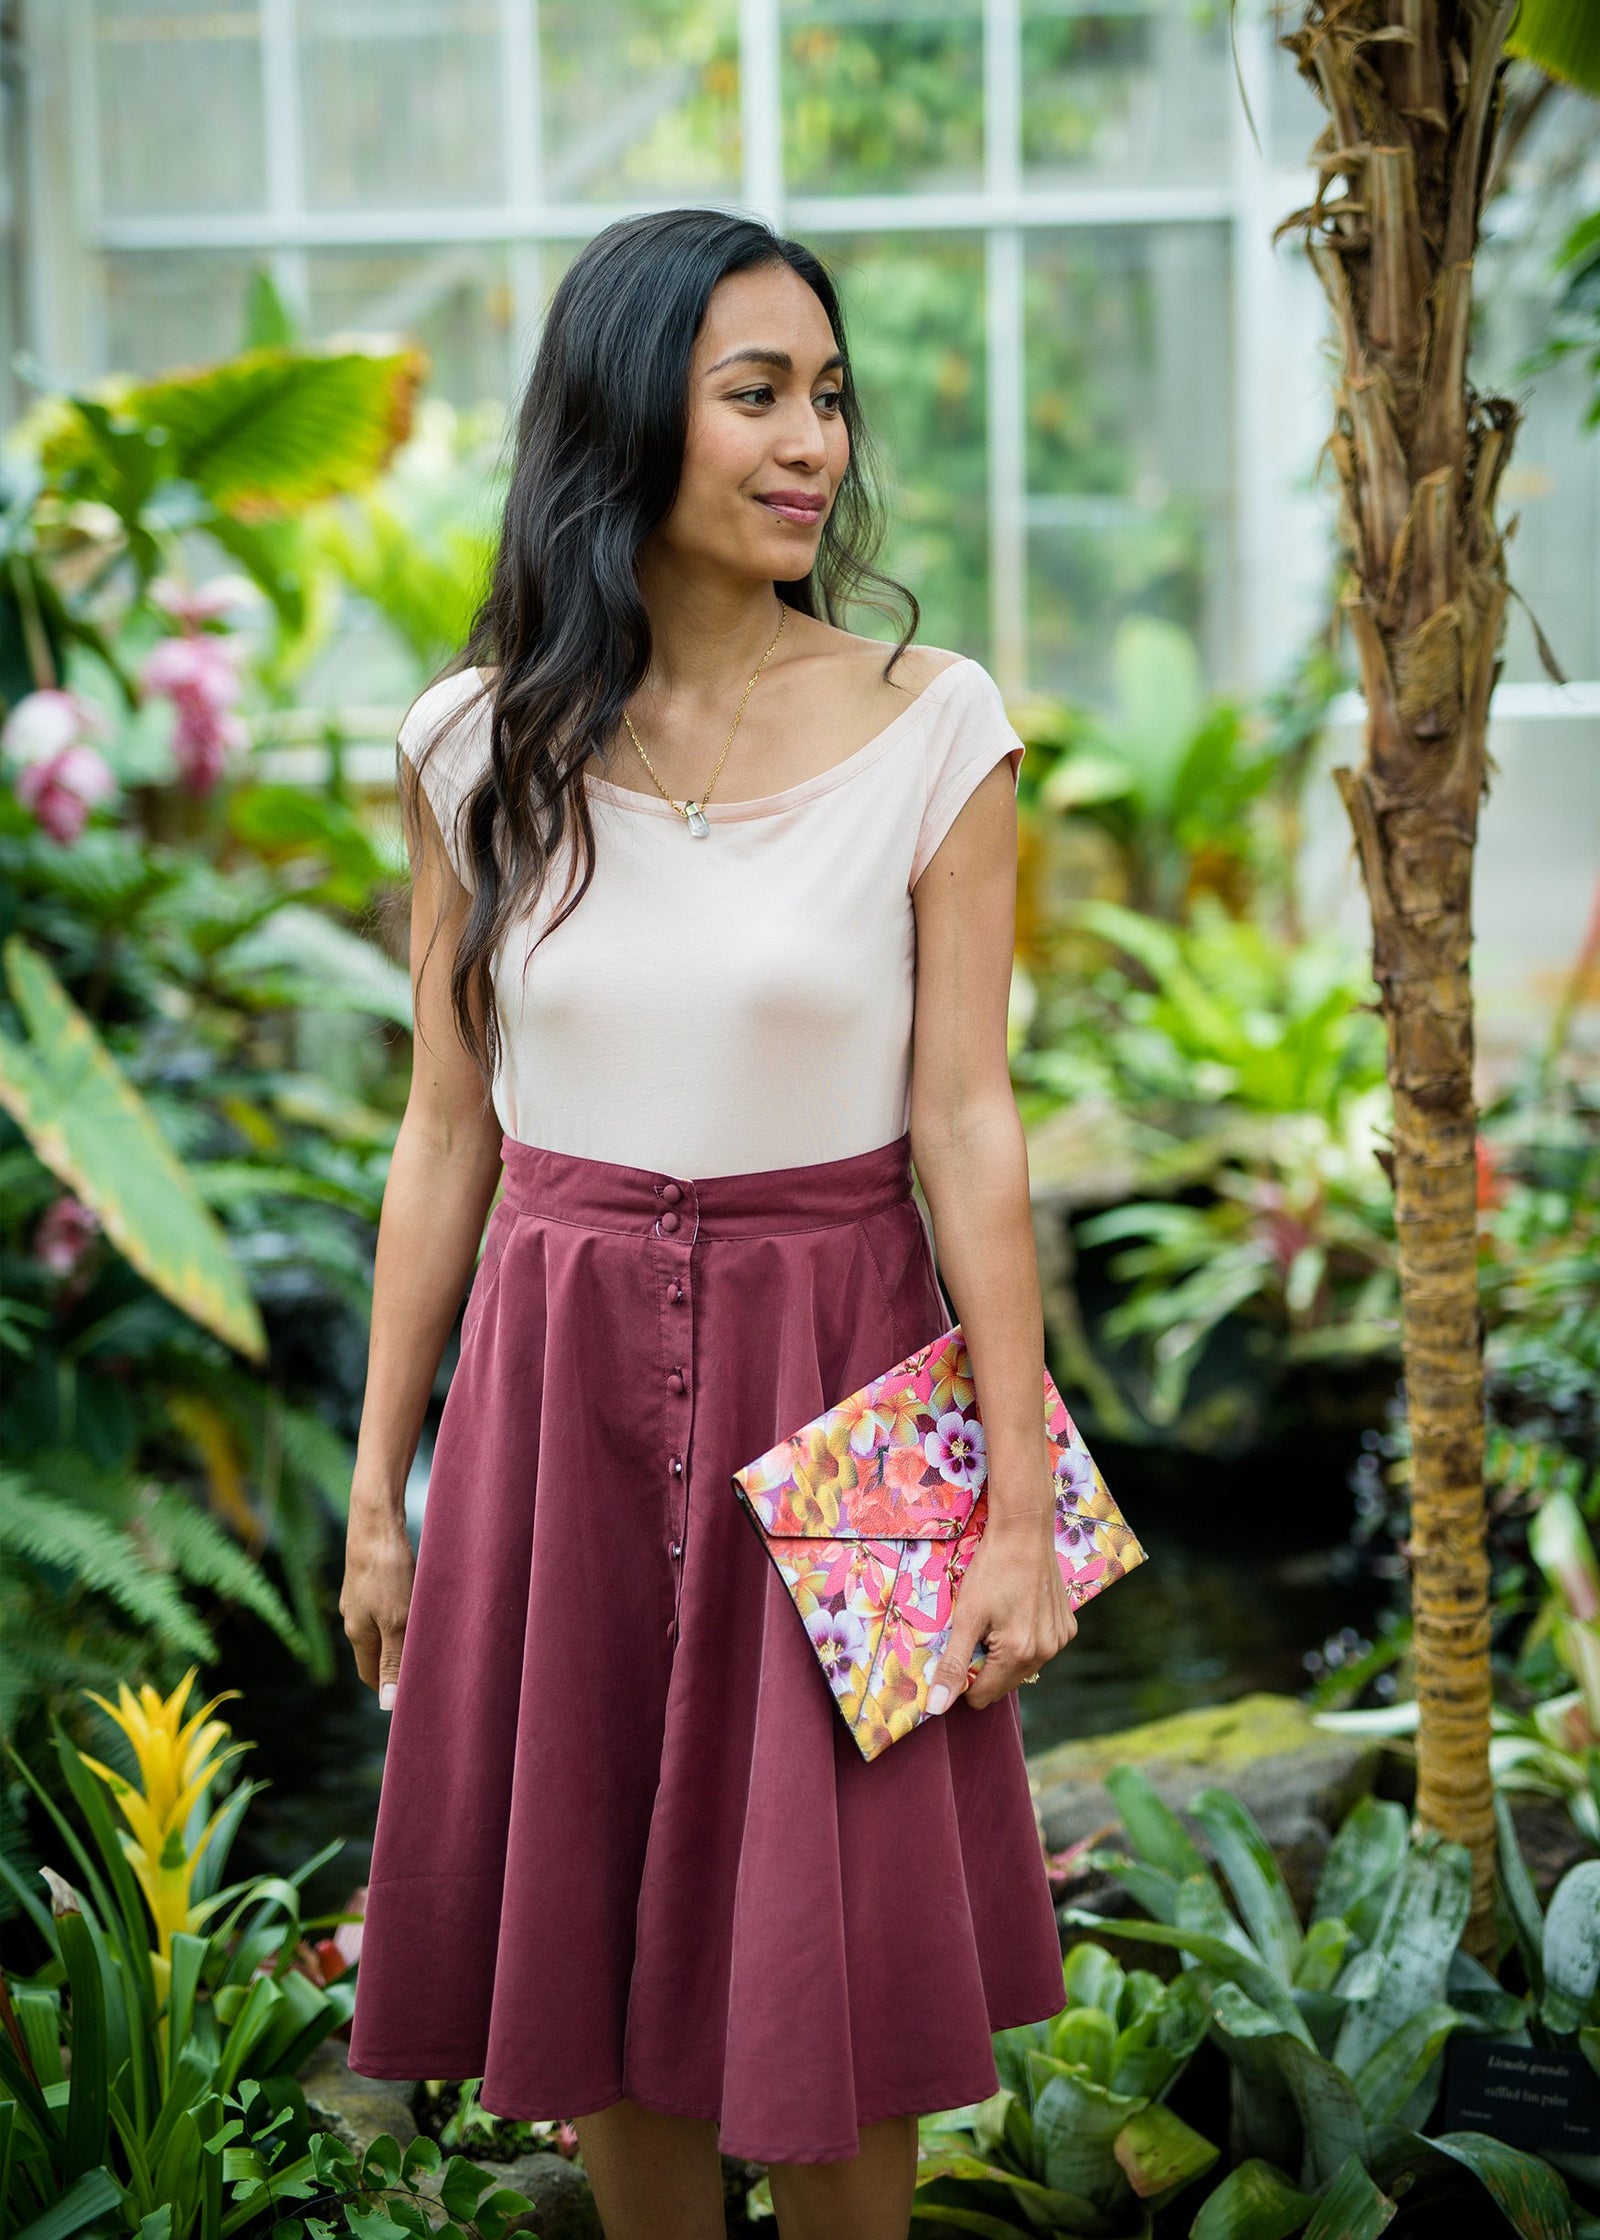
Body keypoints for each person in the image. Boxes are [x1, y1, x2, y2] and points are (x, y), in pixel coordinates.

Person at [340, 206, 1077, 2240]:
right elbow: (442, 1129)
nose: (810, 443)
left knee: (839, 1973)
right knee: (588, 1955)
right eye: (753, 393)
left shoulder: (934, 720)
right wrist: (377, 1487)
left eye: (825, 397)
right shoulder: (468, 742)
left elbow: (964, 1119)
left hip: (838, 1364)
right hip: (551, 1385)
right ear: (621, 419)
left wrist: (1014, 1505)